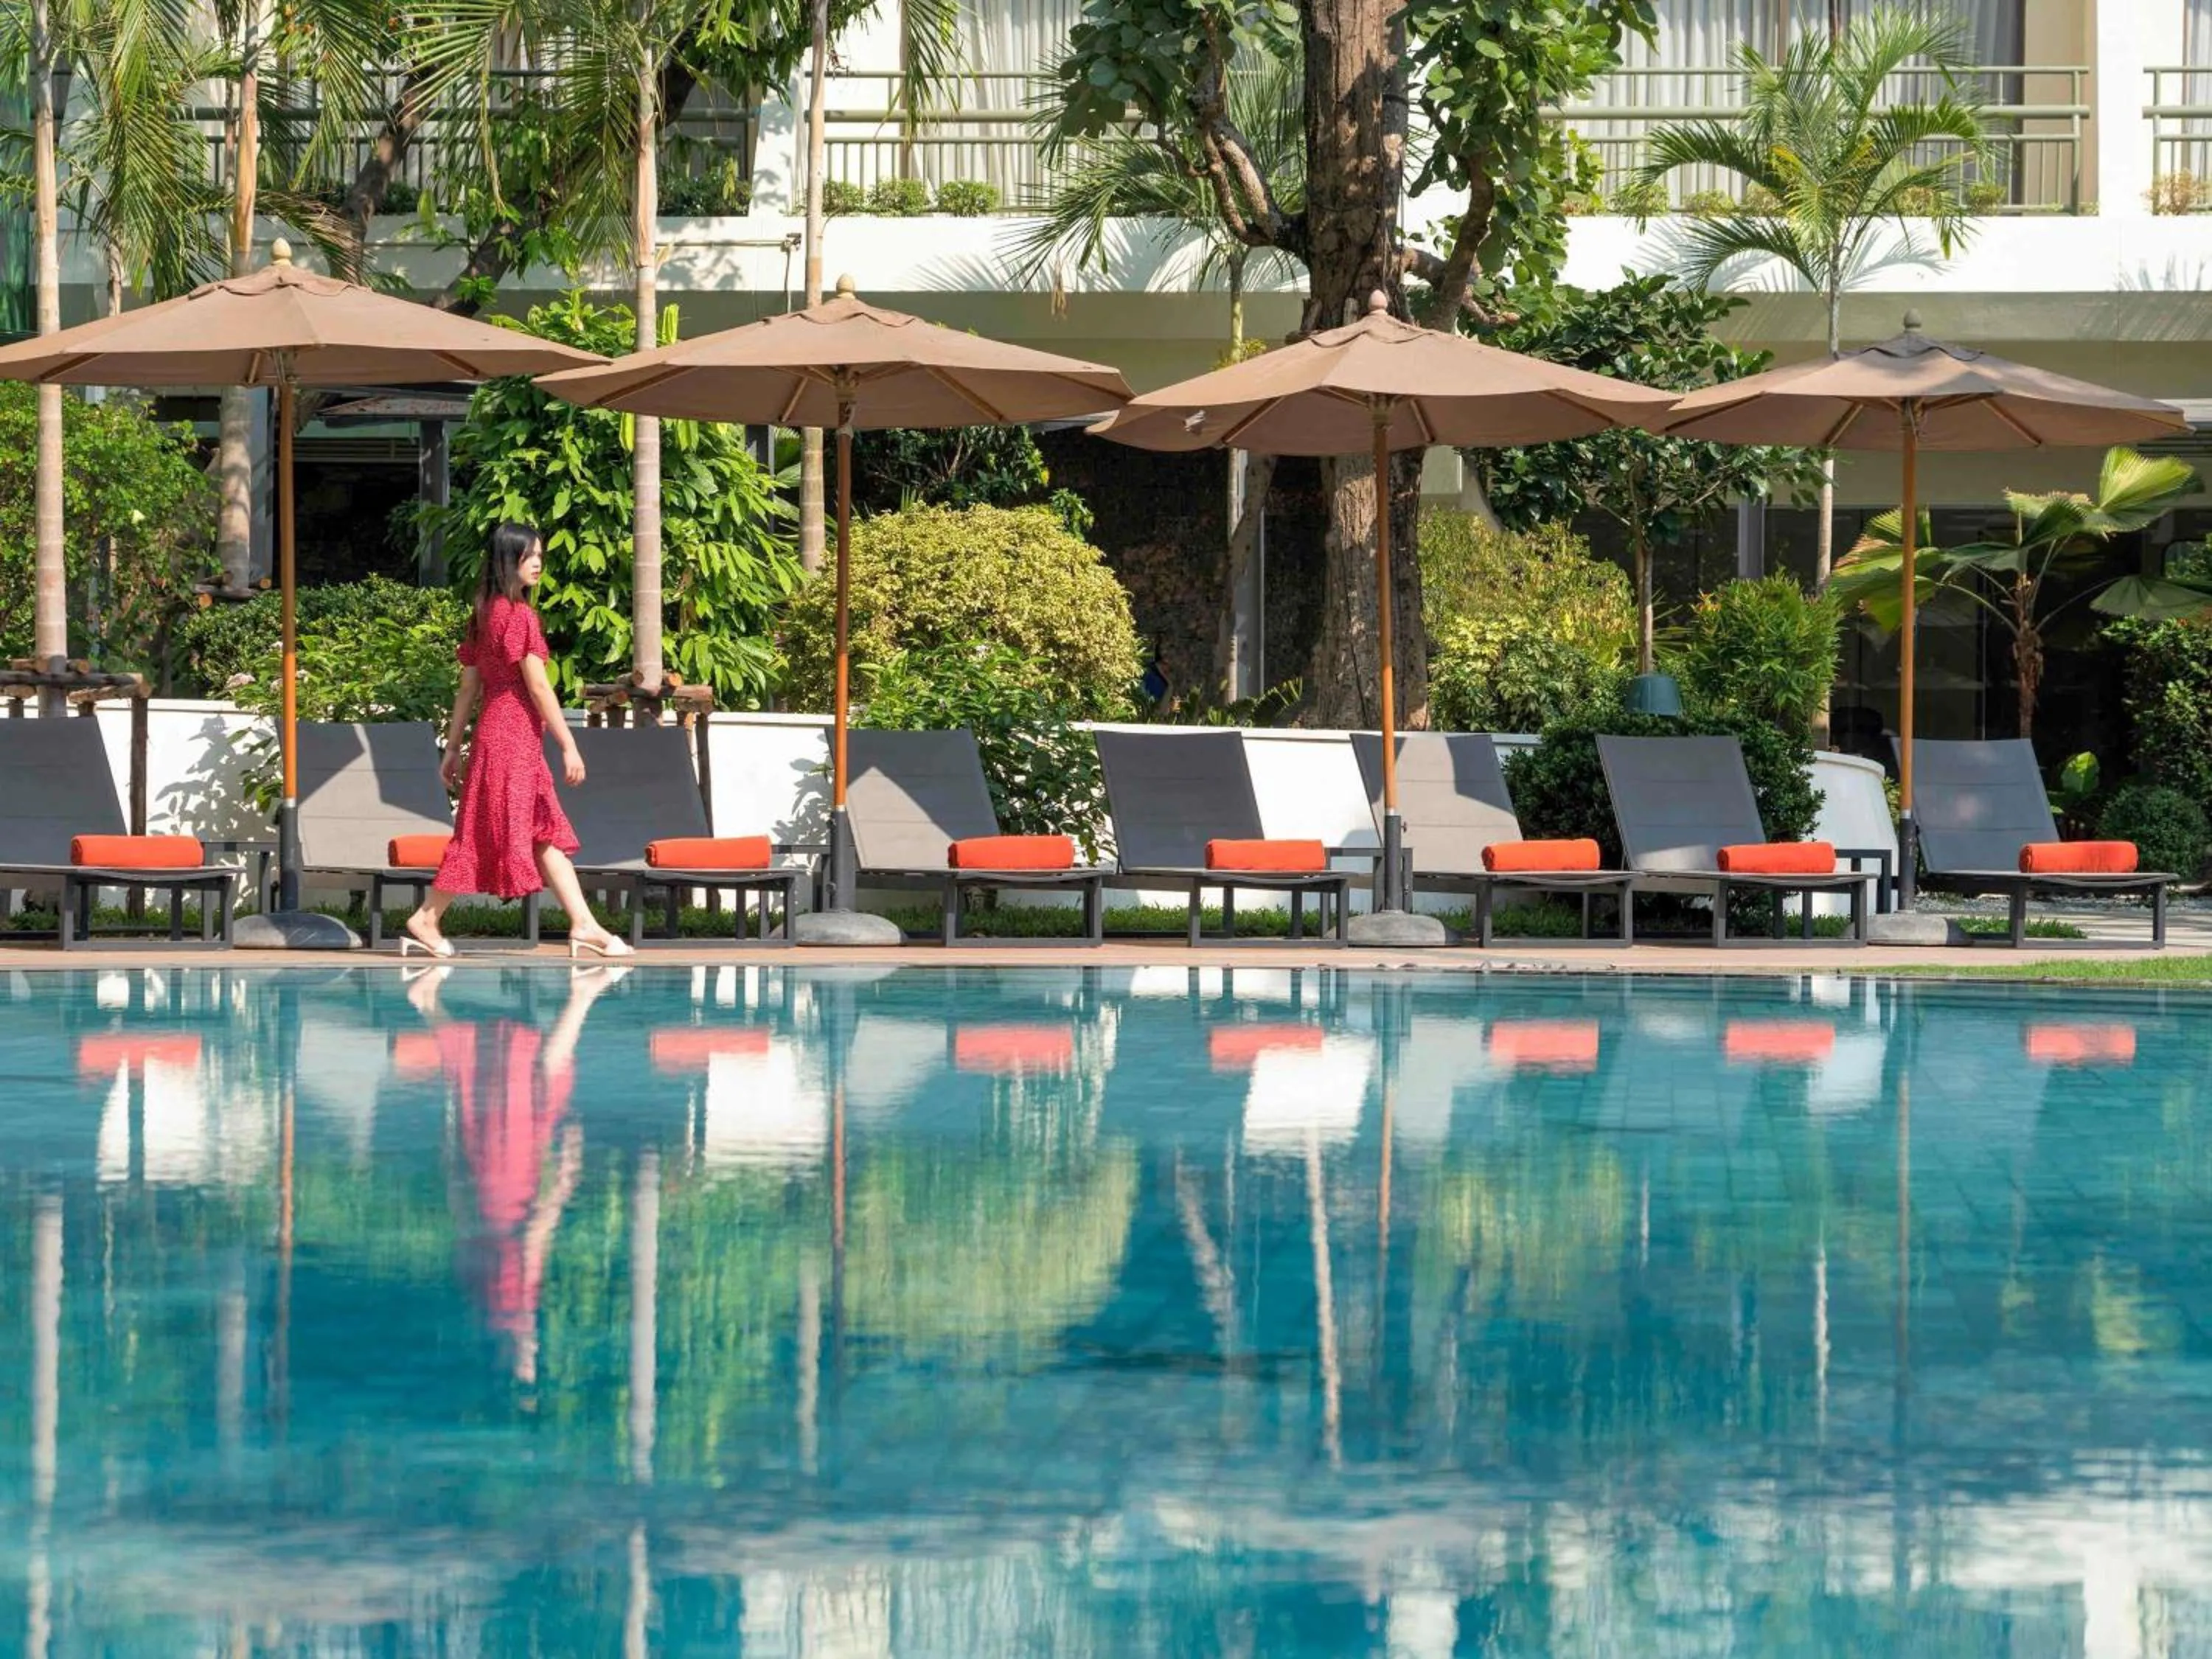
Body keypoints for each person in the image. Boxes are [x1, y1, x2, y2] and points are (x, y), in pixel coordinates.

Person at [403, 523, 633, 959]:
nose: (538, 563)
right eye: (530, 556)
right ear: (508, 560)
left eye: (540, 555)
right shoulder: (519, 616)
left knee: (540, 829)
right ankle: (427, 917)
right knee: (485, 832)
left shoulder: (483, 614)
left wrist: (452, 747)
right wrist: (569, 744)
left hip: (498, 735)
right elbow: (539, 687)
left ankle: (583, 923)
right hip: (513, 738)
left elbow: (468, 688)